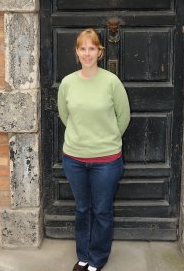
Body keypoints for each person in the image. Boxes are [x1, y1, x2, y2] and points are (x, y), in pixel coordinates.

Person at [58, 28, 130, 271]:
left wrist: (105, 139)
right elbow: (65, 116)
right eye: (82, 48)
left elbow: (124, 117)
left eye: (92, 48)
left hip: (107, 161)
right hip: (74, 159)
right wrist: (83, 137)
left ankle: (97, 259)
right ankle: (83, 256)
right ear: (77, 52)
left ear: (100, 52)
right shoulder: (68, 83)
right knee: (82, 209)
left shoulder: (111, 82)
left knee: (101, 211)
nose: (87, 53)